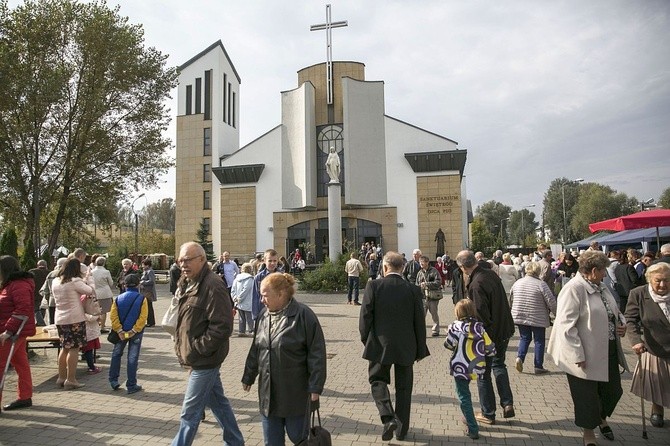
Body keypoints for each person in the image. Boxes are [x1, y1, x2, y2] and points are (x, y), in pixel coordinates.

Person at [547, 250, 627, 446]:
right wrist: (576, 353)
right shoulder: (574, 289)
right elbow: (565, 325)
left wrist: (621, 322)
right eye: (603, 271)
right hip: (584, 352)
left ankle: (600, 417)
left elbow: (613, 310)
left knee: (613, 391)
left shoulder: (601, 286)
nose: (605, 275)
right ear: (593, 270)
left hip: (607, 348)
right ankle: (588, 432)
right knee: (586, 396)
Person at [171, 242, 243, 446]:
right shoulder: (188, 281)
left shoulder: (213, 284)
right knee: (219, 404)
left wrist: (197, 349)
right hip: (197, 356)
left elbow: (222, 326)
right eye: (180, 260)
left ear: (202, 259)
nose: (182, 264)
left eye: (187, 260)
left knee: (189, 414)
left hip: (205, 360)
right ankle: (236, 442)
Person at [242, 273, 327, 445]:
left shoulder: (304, 315)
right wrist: (249, 375)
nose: (261, 300)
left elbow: (317, 353)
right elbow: (256, 349)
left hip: (294, 393)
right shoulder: (263, 316)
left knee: (299, 437)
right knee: (271, 441)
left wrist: (316, 386)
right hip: (268, 393)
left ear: (281, 294)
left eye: (265, 295)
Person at [360, 251, 429, 441]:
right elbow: (419, 322)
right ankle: (401, 430)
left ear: (384, 267)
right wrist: (420, 348)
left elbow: (365, 316)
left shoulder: (374, 286)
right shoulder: (413, 289)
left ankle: (388, 417)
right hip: (406, 345)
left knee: (377, 381)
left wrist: (366, 340)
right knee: (404, 388)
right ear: (404, 267)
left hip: (380, 345)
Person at [455, 250, 515, 425]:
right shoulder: (489, 274)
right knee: (499, 366)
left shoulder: (476, 284)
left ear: (463, 267)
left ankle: (488, 413)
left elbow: (481, 316)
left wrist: (476, 339)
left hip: (490, 335)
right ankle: (507, 403)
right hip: (504, 328)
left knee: (483, 374)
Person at [625, 262, 670, 428]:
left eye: (667, 280)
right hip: (655, 347)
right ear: (649, 279)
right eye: (658, 280)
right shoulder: (638, 294)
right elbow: (630, 319)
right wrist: (636, 341)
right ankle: (657, 409)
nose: (663, 285)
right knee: (658, 382)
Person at [444, 299, 496, 440]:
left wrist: (448, 333)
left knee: (464, 396)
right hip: (476, 367)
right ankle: (467, 417)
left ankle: (472, 427)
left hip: (460, 367)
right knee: (465, 394)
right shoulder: (479, 327)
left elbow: (449, 344)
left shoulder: (455, 327)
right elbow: (491, 349)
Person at [0, 256, 36, 411]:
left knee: (1, 366)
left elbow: (23, 309)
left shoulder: (18, 285)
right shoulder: (13, 284)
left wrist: (8, 330)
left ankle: (25, 396)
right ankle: (25, 396)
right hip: (14, 332)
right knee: (21, 364)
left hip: (12, 333)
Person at [52, 258, 94, 390]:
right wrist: (88, 278)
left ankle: (61, 377)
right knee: (74, 349)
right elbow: (90, 290)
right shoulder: (75, 281)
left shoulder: (55, 281)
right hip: (74, 318)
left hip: (60, 318)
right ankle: (71, 379)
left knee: (64, 347)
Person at [510, 262, 557, 374]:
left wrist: (512, 310)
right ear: (538, 271)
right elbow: (551, 301)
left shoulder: (517, 283)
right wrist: (557, 314)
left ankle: (520, 358)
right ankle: (538, 365)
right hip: (538, 316)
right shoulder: (541, 284)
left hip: (520, 315)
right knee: (539, 340)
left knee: (524, 338)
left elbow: (511, 299)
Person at [109, 274, 147, 394]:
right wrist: (134, 330)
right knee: (132, 357)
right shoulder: (142, 299)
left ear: (124, 285)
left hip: (121, 333)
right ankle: (131, 384)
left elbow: (113, 316)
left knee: (116, 354)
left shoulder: (118, 298)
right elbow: (143, 317)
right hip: (135, 333)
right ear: (138, 284)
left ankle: (113, 380)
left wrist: (119, 330)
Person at [416, 255, 442, 337]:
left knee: (434, 313)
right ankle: (420, 331)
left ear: (427, 262)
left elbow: (438, 282)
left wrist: (427, 284)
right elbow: (417, 284)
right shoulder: (419, 273)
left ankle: (436, 330)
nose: (421, 264)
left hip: (432, 297)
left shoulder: (434, 271)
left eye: (422, 262)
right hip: (423, 297)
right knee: (421, 315)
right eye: (420, 262)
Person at [252, 249, 279, 320]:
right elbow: (255, 297)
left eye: (275, 261)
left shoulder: (281, 277)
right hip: (264, 313)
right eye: (270, 261)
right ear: (264, 261)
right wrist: (255, 316)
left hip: (279, 312)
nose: (272, 263)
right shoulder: (258, 278)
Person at [40, 257, 67, 325]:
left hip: (52, 301)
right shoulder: (67, 274)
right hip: (65, 301)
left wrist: (47, 297)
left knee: (52, 322)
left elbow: (44, 290)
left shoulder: (51, 274)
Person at [91, 256, 115, 333]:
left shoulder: (92, 272)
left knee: (96, 311)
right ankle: (102, 327)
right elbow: (111, 283)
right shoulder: (106, 272)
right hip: (105, 293)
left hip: (95, 292)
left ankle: (97, 326)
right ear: (104, 263)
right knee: (103, 311)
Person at [231, 263, 254, 336]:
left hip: (238, 302)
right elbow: (246, 289)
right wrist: (240, 298)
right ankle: (251, 330)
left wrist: (235, 298)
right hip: (247, 301)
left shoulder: (237, 278)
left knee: (241, 317)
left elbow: (233, 289)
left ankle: (241, 331)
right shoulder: (250, 279)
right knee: (249, 317)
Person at [81, 294, 102, 375]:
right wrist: (97, 316)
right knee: (88, 350)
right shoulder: (82, 311)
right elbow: (90, 318)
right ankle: (91, 367)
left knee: (89, 350)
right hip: (88, 332)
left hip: (91, 332)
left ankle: (91, 365)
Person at [29, 260, 49, 327]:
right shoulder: (49, 273)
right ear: (46, 266)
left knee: (37, 309)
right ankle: (41, 322)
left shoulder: (32, 272)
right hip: (45, 294)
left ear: (37, 266)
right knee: (43, 308)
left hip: (35, 293)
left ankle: (40, 322)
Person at [139, 259, 157, 327]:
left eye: (143, 265)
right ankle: (149, 321)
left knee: (149, 307)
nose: (142, 266)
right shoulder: (145, 271)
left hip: (148, 292)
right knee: (147, 307)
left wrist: (142, 282)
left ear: (147, 265)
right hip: (145, 291)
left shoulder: (150, 271)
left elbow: (151, 281)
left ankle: (151, 322)